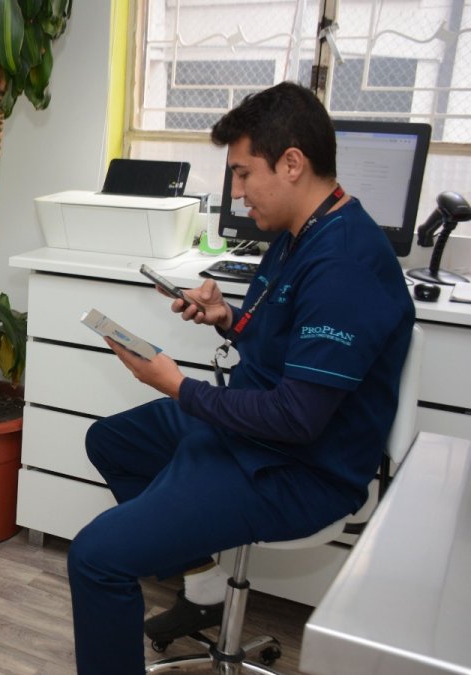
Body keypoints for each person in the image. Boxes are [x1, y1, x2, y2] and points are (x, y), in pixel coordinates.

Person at [66, 82, 415, 674]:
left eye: (243, 173)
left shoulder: (346, 266)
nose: (237, 191)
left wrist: (178, 386)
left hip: (299, 469)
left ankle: (179, 549)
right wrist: (226, 318)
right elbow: (282, 345)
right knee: (111, 441)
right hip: (254, 431)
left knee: (97, 557)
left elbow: (299, 419)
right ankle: (203, 589)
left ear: (293, 163)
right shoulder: (297, 234)